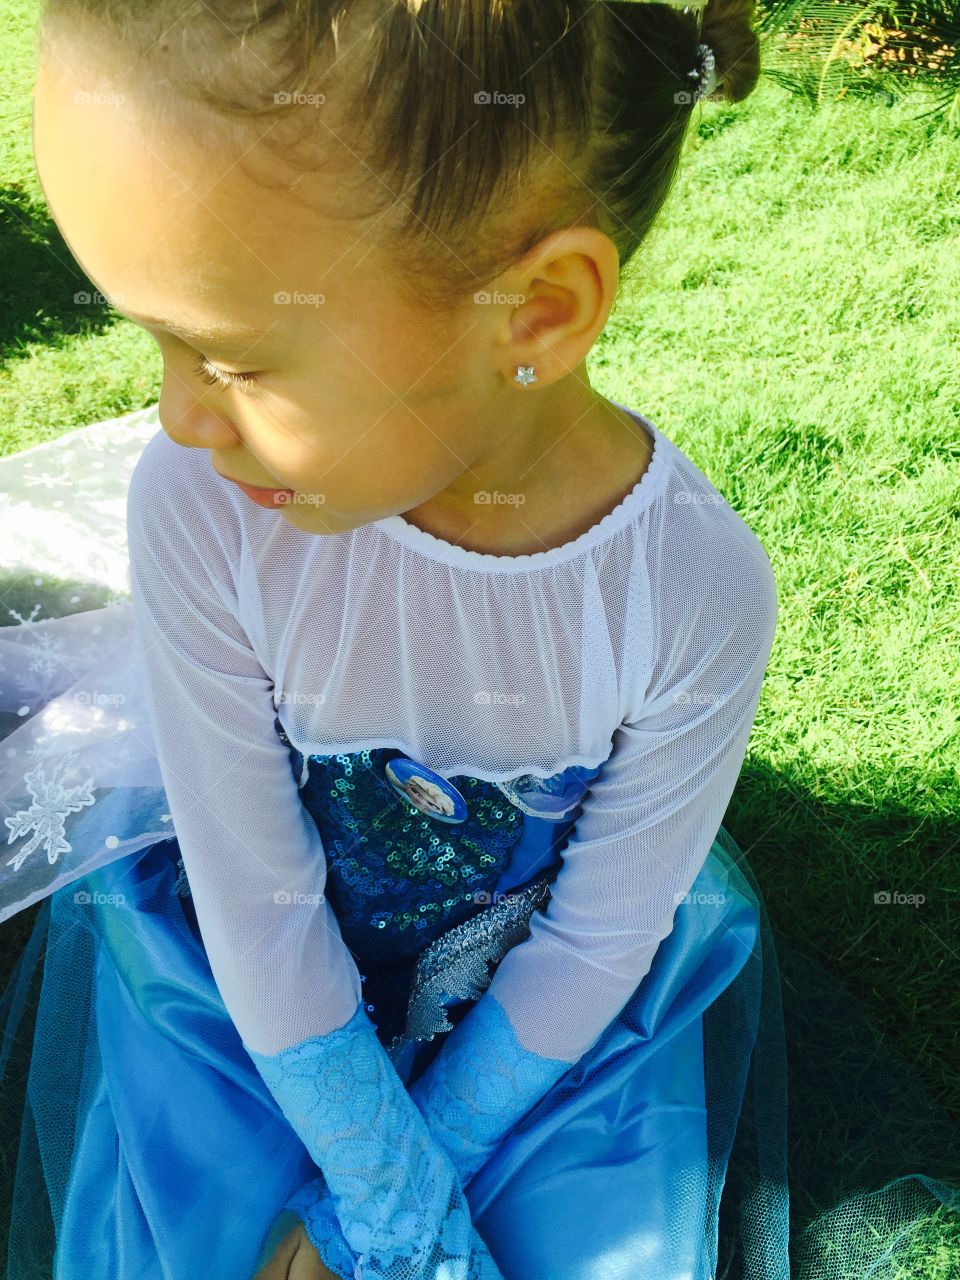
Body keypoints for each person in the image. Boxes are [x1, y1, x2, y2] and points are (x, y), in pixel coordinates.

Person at [0, 2, 955, 1278]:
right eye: (154, 337)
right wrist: (377, 1185)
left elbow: (600, 934)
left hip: (536, 1029)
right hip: (253, 989)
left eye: (232, 356)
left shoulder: (692, 590)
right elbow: (256, 893)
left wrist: (403, 1192)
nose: (176, 418)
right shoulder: (205, 510)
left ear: (538, 311)